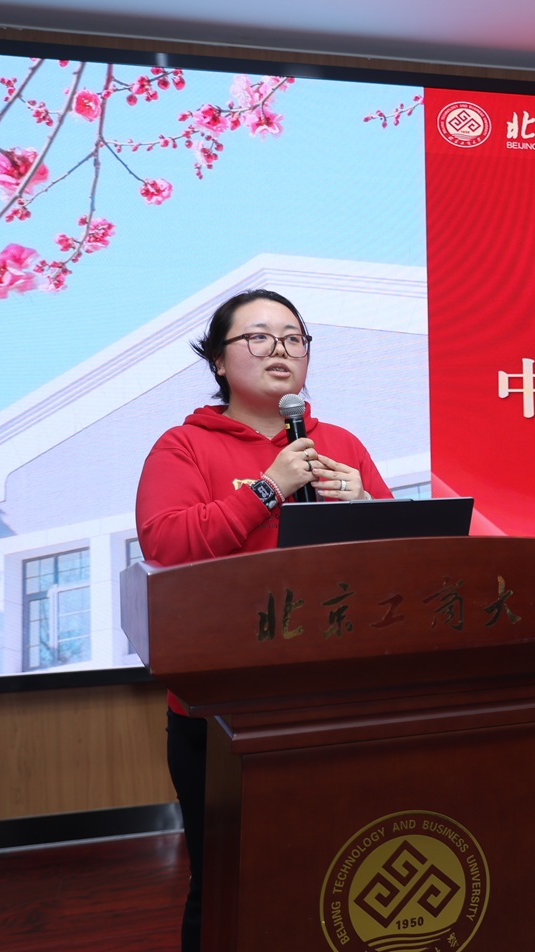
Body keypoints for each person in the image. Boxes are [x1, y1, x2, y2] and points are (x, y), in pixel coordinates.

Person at [135, 288, 392, 952]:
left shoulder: (339, 443)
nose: (280, 349)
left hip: (340, 695)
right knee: (230, 881)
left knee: (343, 867)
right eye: (259, 336)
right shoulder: (184, 447)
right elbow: (166, 544)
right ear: (219, 362)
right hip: (226, 707)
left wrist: (364, 503)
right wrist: (268, 488)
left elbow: (403, 556)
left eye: (293, 337)